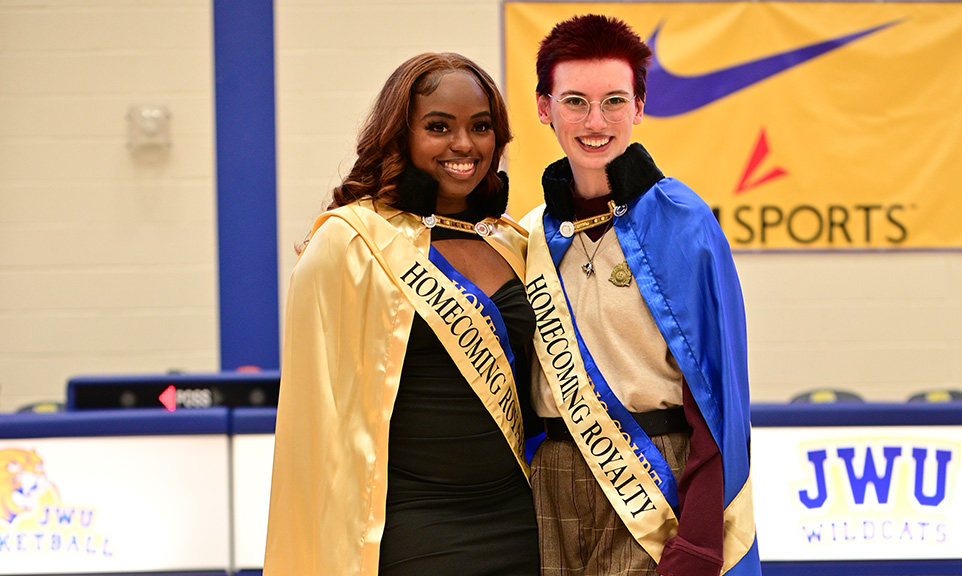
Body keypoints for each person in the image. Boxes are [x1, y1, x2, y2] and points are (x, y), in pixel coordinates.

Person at [263, 52, 540, 576]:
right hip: (412, 529)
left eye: (481, 127)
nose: (464, 145)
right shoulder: (350, 242)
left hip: (519, 522)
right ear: (401, 134)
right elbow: (314, 420)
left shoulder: (516, 244)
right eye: (439, 127)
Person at [521, 15, 761, 576]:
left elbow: (716, 395)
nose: (595, 121)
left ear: (640, 106)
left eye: (614, 101)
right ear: (544, 107)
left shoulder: (685, 223)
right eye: (575, 101)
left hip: (655, 481)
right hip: (549, 483)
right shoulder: (529, 236)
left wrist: (701, 538)